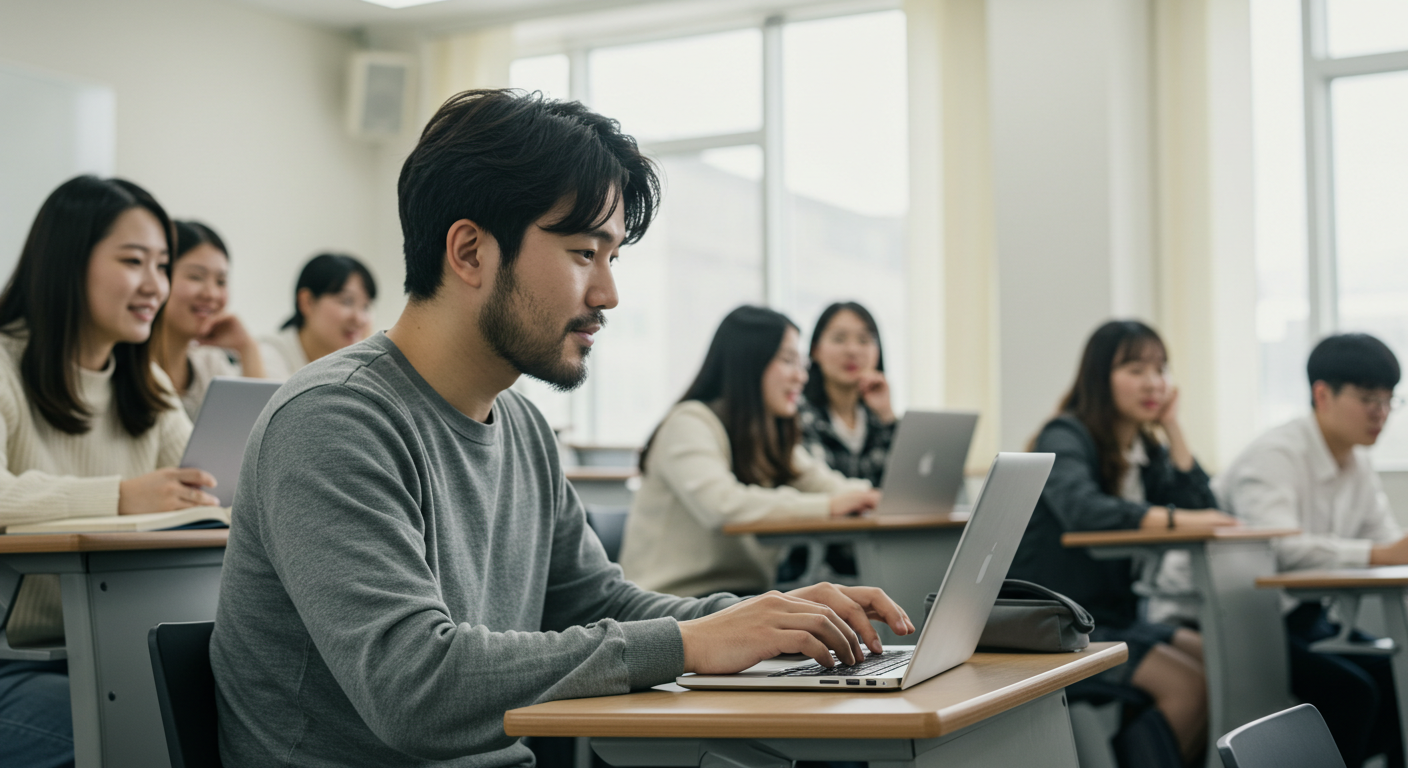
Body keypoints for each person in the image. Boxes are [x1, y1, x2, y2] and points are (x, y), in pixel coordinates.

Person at [209, 89, 913, 768]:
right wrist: (692, 642)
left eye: (613, 258)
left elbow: (598, 602)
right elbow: (414, 688)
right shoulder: (334, 420)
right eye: (584, 253)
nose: (608, 294)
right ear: (470, 252)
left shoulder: (519, 424)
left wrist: (768, 620)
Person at [0, 176, 219, 768]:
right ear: (68, 264)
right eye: (133, 261)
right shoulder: (4, 364)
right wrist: (123, 496)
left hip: (111, 650)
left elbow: (206, 491)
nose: (156, 285)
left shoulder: (144, 385)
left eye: (162, 264)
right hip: (14, 662)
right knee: (151, 743)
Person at [1008, 320, 1235, 767]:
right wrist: (1175, 517)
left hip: (1107, 616)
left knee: (1218, 666)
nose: (1153, 382)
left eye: (1160, 369)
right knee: (1189, 689)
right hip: (1054, 623)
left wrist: (1173, 427)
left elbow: (1204, 507)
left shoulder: (1141, 452)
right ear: (1099, 377)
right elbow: (1085, 511)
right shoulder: (1065, 434)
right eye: (1135, 368)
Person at [1217, 333, 1404, 768]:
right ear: (1323, 394)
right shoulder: (1275, 454)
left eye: (1389, 401)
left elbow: (1389, 543)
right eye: (1369, 399)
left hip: (1305, 617)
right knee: (1355, 692)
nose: (1381, 413)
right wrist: (1379, 555)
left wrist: (1389, 553)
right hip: (1246, 621)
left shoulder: (1357, 464)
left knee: (1399, 677)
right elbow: (1280, 550)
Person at [620, 306, 882, 598]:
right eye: (787, 361)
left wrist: (873, 498)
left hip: (743, 599)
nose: (801, 377)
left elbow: (825, 483)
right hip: (672, 603)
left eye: (801, 363)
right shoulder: (690, 422)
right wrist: (829, 506)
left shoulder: (769, 431)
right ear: (750, 363)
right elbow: (724, 505)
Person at [150, 221, 266, 420]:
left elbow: (260, 437)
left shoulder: (211, 365)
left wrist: (248, 349)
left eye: (221, 282)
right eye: (196, 277)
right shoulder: (130, 368)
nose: (212, 294)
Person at [799, 302, 897, 487]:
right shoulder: (798, 415)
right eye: (839, 339)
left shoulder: (878, 418)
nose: (852, 350)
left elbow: (902, 483)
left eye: (863, 340)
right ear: (815, 350)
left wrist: (887, 416)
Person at [258, 252, 376, 378]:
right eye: (346, 301)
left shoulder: (359, 365)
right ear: (307, 302)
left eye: (365, 307)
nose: (360, 319)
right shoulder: (266, 358)